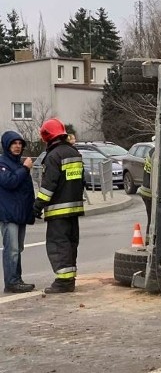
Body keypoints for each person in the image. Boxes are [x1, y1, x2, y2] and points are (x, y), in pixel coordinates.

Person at [33, 118, 85, 294]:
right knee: (71, 244)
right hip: (74, 208)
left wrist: (37, 206)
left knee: (58, 244)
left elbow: (48, 186)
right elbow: (81, 181)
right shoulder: (74, 152)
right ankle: (69, 279)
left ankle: (64, 282)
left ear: (47, 136)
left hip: (58, 210)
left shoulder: (53, 156)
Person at [0, 131, 36, 293]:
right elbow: (10, 182)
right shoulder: (2, 163)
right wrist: (25, 168)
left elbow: (27, 191)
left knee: (18, 249)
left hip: (20, 214)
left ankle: (17, 279)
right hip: (8, 214)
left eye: (20, 143)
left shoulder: (18, 164)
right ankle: (12, 282)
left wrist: (33, 210)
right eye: (14, 143)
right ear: (7, 145)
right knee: (12, 249)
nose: (17, 146)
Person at [137, 141, 154, 242]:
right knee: (153, 219)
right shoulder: (157, 154)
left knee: (150, 219)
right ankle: (150, 242)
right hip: (150, 192)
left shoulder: (151, 152)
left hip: (145, 190)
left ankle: (148, 241)